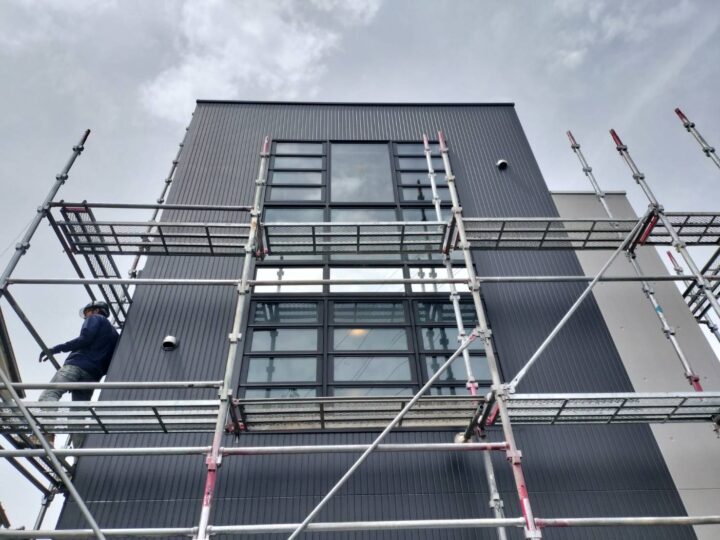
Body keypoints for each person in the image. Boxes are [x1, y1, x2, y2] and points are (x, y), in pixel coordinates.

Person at [38, 300, 119, 403]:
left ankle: (48, 414)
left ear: (96, 310)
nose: (85, 316)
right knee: (80, 407)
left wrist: (56, 349)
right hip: (93, 375)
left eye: (87, 312)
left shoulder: (95, 318)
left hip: (77, 365)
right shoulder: (115, 335)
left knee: (50, 394)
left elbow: (85, 339)